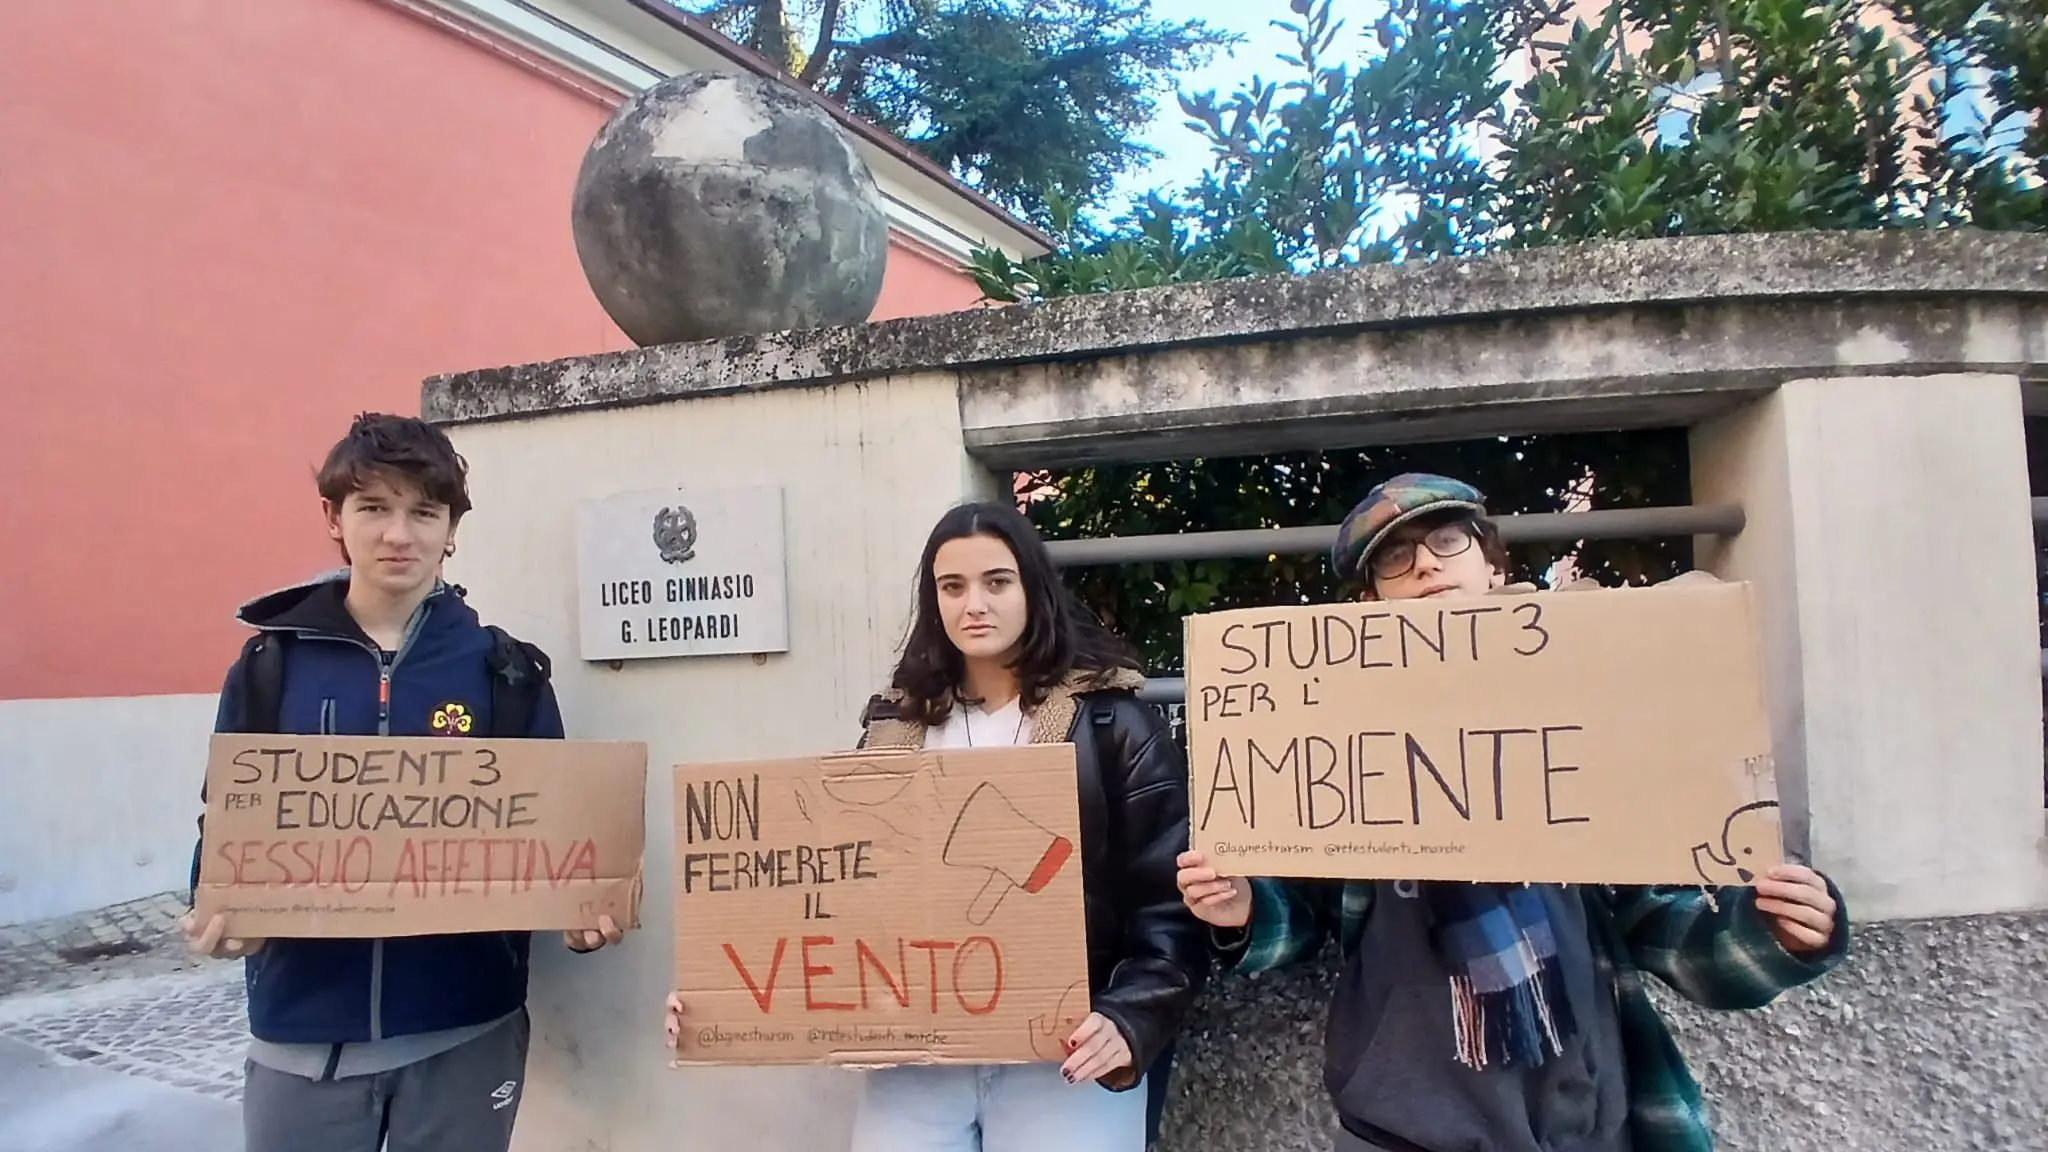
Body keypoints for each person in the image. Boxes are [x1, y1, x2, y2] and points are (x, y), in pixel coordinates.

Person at [1175, 472, 1851, 1152]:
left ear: (1494, 567)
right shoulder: (1335, 735)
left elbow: (1663, 922)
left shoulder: (1590, 716)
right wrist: (1243, 909)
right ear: (1369, 602)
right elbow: (1301, 906)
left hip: (1589, 1120)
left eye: (1448, 540)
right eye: (1395, 557)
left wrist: (1774, 933)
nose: (1426, 564)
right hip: (1401, 1126)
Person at [665, 500, 1207, 1152]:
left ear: (1034, 589)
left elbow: (1169, 903)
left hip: (1064, 1059)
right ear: (933, 600)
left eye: (996, 582)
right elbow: (833, 896)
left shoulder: (1112, 725)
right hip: (916, 1070)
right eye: (952, 586)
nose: (974, 604)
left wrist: (1128, 1018)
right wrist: (725, 996)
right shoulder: (893, 730)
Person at [179, 413, 623, 1152]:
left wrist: (583, 913)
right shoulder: (269, 667)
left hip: (465, 1032)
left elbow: (554, 837)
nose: (399, 534)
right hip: (302, 1036)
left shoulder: (505, 673)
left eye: (424, 512)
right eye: (374, 507)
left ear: (451, 530)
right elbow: (226, 821)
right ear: (334, 518)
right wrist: (215, 910)